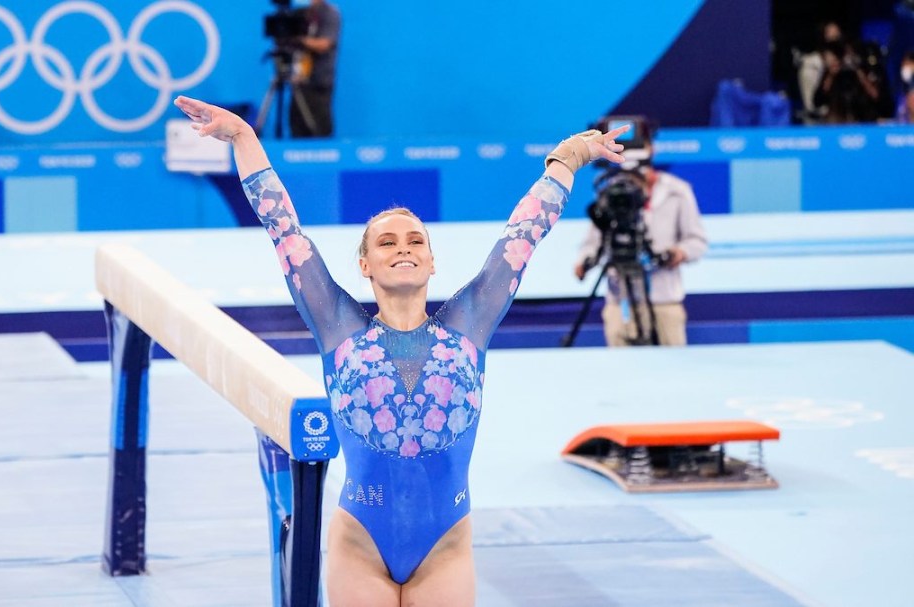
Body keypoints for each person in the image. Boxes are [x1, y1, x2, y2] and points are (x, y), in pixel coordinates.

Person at [174, 95, 626, 605]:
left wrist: (567, 158)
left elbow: (522, 237)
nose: (404, 247)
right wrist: (244, 138)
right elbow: (284, 230)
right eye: (386, 243)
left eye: (415, 240)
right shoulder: (337, 325)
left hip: (446, 547)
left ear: (432, 262)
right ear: (365, 265)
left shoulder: (470, 321)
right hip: (359, 544)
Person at [573, 129, 707, 347]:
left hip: (664, 299)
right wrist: (584, 262)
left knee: (673, 374)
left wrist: (679, 254)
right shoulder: (610, 192)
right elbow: (593, 241)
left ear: (650, 148)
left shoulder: (678, 190)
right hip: (620, 300)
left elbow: (697, 241)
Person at [289, 0, 340, 138]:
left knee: (320, 126)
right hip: (299, 80)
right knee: (297, 126)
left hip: (319, 80)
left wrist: (299, 40)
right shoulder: (300, 13)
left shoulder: (330, 13)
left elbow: (324, 44)